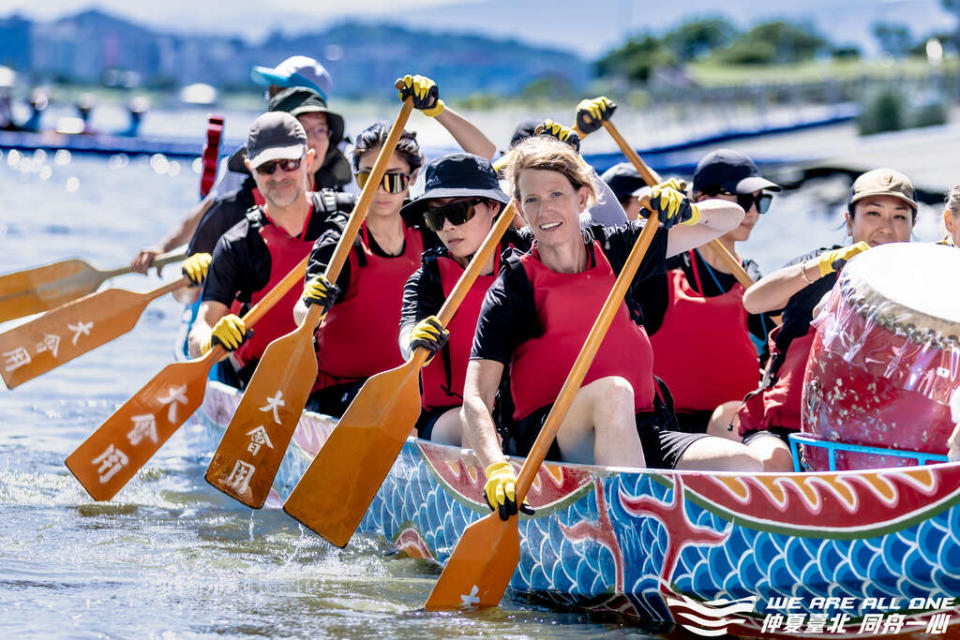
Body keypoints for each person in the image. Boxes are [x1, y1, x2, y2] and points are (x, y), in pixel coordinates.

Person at [464, 135, 762, 519]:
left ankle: (666, 529)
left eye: (556, 195)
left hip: (642, 427)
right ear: (519, 207)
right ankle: (634, 529)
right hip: (552, 440)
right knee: (613, 392)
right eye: (531, 200)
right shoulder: (513, 288)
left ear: (583, 198)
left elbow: (729, 217)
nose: (544, 210)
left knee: (743, 464)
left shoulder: (620, 249)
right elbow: (476, 396)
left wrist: (684, 209)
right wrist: (496, 468)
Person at [293, 75, 497, 418]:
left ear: (413, 179)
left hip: (408, 389)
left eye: (393, 178)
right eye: (368, 177)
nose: (380, 190)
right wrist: (312, 302)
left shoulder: (432, 229)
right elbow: (303, 312)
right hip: (341, 393)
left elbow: (487, 160)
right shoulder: (340, 241)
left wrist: (437, 111)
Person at [735, 168, 918, 471]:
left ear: (912, 227)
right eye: (873, 213)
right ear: (849, 222)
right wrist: (824, 265)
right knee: (774, 461)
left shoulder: (920, 283)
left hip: (874, 440)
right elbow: (754, 302)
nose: (886, 227)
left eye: (899, 217)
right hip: (787, 432)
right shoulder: (818, 266)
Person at [184, 112, 355, 387]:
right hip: (258, 382)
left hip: (334, 381)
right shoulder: (235, 244)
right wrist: (211, 340)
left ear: (308, 160)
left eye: (289, 163)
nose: (279, 176)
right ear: (252, 169)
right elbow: (199, 331)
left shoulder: (349, 216)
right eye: (267, 167)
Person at [129, 56, 345, 274]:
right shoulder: (248, 160)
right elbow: (207, 212)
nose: (271, 101)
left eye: (280, 93)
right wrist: (163, 248)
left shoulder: (346, 166)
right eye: (270, 93)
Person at [638, 150, 780, 435]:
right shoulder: (661, 270)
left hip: (735, 425)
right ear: (702, 200)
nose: (752, 211)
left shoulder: (753, 278)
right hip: (668, 430)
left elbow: (777, 350)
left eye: (760, 201)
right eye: (743, 199)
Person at [398, 152, 527, 445]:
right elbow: (407, 333)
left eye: (458, 213)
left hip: (524, 413)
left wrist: (571, 164)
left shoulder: (531, 256)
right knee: (475, 423)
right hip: (452, 418)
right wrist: (415, 339)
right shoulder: (427, 279)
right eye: (435, 217)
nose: (447, 227)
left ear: (494, 206)